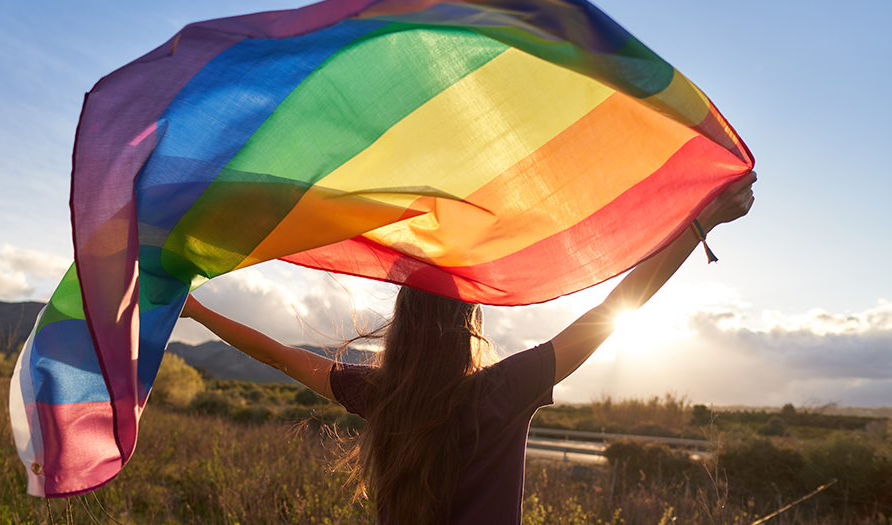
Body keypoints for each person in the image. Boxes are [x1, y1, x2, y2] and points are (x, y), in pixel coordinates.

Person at [180, 171, 756, 524]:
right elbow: (608, 314)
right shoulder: (503, 391)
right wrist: (699, 225)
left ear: (405, 320)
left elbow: (277, 354)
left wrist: (197, 311)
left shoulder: (379, 394)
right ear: (471, 321)